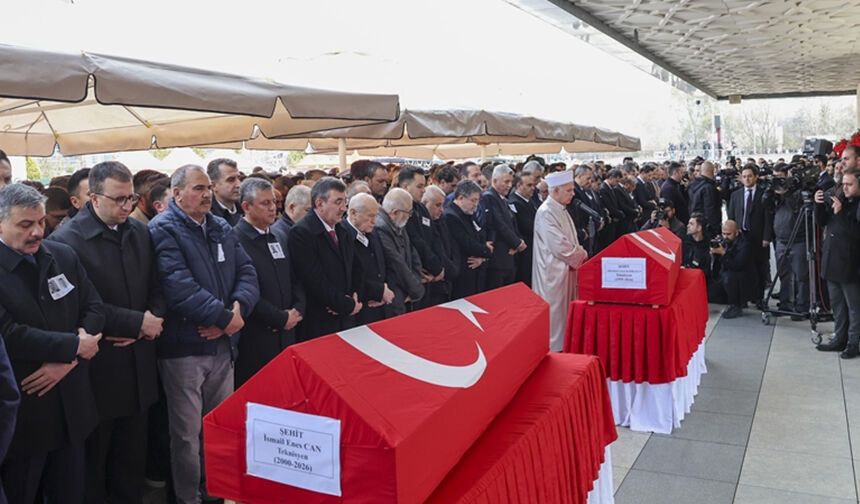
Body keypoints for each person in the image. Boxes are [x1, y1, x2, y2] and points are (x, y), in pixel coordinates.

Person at [48, 161, 165, 504]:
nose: (127, 207)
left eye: (130, 198)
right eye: (118, 199)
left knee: (132, 458)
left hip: (140, 362)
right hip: (100, 368)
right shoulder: (66, 241)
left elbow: (159, 285)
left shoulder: (140, 232)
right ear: (93, 198)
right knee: (96, 462)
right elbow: (81, 305)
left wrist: (152, 319)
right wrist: (135, 323)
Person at [149, 164, 259, 504]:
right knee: (186, 434)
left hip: (223, 345)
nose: (207, 194)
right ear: (176, 193)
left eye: (208, 187)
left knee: (219, 425)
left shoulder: (219, 225)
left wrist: (238, 310)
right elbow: (178, 287)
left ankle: (219, 489)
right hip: (185, 348)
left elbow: (247, 271)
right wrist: (226, 318)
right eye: (198, 188)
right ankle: (188, 496)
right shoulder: (163, 229)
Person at [0, 183, 104, 504]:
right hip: (27, 416)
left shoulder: (61, 255)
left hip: (72, 408)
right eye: (25, 224)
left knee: (71, 491)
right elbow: (8, 333)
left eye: (41, 222)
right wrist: (74, 346)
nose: (37, 232)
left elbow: (94, 307)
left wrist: (69, 358)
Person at [232, 178, 305, 386]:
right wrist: (278, 317)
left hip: (288, 330)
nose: (273, 208)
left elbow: (295, 277)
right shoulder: (235, 239)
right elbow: (242, 289)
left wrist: (298, 310)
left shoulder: (279, 235)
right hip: (257, 337)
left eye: (274, 202)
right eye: (265, 203)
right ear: (246, 206)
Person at [288, 177, 363, 340]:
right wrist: (344, 304)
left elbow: (356, 267)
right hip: (320, 321)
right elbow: (313, 280)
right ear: (320, 203)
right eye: (338, 202)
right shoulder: (302, 233)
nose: (344, 208)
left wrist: (354, 297)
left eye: (345, 201)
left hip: (347, 316)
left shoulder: (343, 229)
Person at [532, 171, 588, 352]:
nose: (573, 193)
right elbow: (559, 246)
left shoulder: (560, 208)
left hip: (566, 270)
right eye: (569, 190)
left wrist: (578, 251)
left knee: (565, 315)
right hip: (553, 273)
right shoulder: (546, 212)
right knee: (555, 317)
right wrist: (580, 254)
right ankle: (555, 350)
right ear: (555, 191)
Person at [814, 165, 860, 357]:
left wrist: (840, 212)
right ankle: (839, 338)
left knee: (854, 308)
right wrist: (818, 204)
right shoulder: (839, 198)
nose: (845, 187)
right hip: (831, 259)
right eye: (843, 183)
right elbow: (822, 221)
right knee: (837, 306)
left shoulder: (855, 205)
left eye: (850, 184)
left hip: (850, 264)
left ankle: (853, 342)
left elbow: (855, 233)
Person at [726, 165, 773, 308]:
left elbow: (768, 217)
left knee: (760, 268)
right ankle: (744, 298)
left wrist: (766, 237)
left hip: (758, 237)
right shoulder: (736, 195)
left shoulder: (763, 193)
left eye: (750, 176)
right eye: (744, 176)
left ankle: (759, 298)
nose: (747, 179)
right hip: (741, 237)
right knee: (743, 268)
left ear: (756, 176)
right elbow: (731, 216)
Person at [344, 193, 394, 324]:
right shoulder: (343, 235)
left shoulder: (373, 232)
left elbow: (386, 263)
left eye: (376, 215)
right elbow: (350, 275)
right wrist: (378, 292)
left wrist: (386, 290)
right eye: (370, 216)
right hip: (360, 311)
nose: (374, 221)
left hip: (382, 307)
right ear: (353, 213)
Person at [398, 165, 445, 305]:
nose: (423, 190)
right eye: (419, 186)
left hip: (431, 274)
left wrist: (439, 267)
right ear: (406, 187)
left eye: (424, 186)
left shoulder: (421, 208)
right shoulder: (401, 210)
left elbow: (435, 237)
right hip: (417, 275)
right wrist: (436, 268)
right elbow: (415, 242)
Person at [375, 188, 425, 316]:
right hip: (395, 296)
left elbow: (413, 256)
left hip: (406, 292)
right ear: (395, 212)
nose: (409, 216)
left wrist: (416, 285)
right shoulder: (380, 227)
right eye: (408, 212)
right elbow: (396, 263)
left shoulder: (397, 223)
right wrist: (416, 290)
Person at [479, 164, 525, 289]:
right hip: (498, 260)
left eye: (511, 182)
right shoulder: (489, 197)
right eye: (506, 181)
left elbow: (512, 223)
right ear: (494, 181)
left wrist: (519, 241)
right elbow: (499, 224)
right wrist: (516, 243)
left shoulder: (503, 199)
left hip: (508, 258)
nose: (510, 185)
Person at [771, 164, 808, 319]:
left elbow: (796, 207)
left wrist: (788, 191)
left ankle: (801, 306)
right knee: (784, 273)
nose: (780, 181)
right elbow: (766, 205)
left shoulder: (798, 192)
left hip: (798, 239)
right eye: (776, 178)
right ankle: (785, 302)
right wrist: (771, 192)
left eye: (782, 177)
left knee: (801, 275)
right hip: (781, 238)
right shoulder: (776, 193)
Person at [444, 180, 492, 298]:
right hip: (462, 274)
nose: (476, 204)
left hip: (474, 272)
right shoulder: (451, 216)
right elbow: (467, 243)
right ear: (460, 198)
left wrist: (483, 257)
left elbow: (480, 236)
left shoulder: (468, 213)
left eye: (477, 200)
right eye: (473, 200)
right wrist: (486, 250)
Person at [421, 186, 459, 305]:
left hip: (447, 282)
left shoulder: (441, 220)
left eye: (442, 205)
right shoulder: (421, 226)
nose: (442, 209)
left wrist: (453, 270)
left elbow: (453, 247)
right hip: (432, 287)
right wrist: (444, 271)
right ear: (425, 203)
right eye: (437, 205)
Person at [711, 220, 753, 319]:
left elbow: (737, 265)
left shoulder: (744, 244)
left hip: (741, 278)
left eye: (728, 234)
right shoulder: (723, 241)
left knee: (728, 277)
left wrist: (723, 254)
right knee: (711, 293)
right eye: (723, 233)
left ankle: (736, 305)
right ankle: (730, 299)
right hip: (726, 276)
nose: (725, 237)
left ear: (736, 232)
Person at [510, 171, 537, 286]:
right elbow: (526, 225)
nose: (533, 188)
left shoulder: (530, 201)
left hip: (532, 248)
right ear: (519, 185)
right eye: (529, 185)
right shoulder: (514, 202)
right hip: (524, 250)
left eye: (534, 185)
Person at [688, 161, 722, 238]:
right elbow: (710, 210)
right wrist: (715, 229)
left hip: (695, 224)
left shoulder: (692, 185)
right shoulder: (709, 188)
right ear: (712, 171)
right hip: (707, 228)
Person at [206, 158, 243, 226]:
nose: (239, 184)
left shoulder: (246, 208)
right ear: (213, 186)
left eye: (239, 178)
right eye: (231, 180)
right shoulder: (205, 215)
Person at [598, 168, 625, 247]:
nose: (617, 183)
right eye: (616, 181)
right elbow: (609, 206)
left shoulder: (611, 188)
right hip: (609, 221)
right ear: (611, 178)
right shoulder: (604, 188)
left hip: (614, 220)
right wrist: (620, 214)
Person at [683, 213, 713, 283]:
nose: (688, 226)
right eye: (688, 223)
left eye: (691, 224)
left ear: (699, 228)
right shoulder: (684, 241)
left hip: (701, 280)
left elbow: (707, 271)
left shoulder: (708, 245)